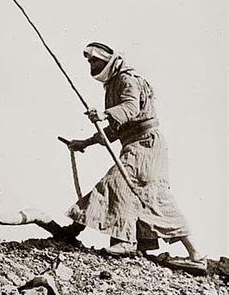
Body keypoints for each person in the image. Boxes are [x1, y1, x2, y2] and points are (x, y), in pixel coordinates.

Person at [64, 42, 205, 271]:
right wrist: (86, 143)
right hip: (137, 144)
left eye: (94, 60)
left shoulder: (127, 79)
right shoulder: (112, 84)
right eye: (89, 61)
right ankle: (195, 254)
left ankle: (121, 240)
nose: (91, 65)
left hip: (145, 144)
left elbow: (130, 108)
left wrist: (103, 114)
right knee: (152, 197)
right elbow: (114, 129)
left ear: (107, 60)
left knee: (117, 183)